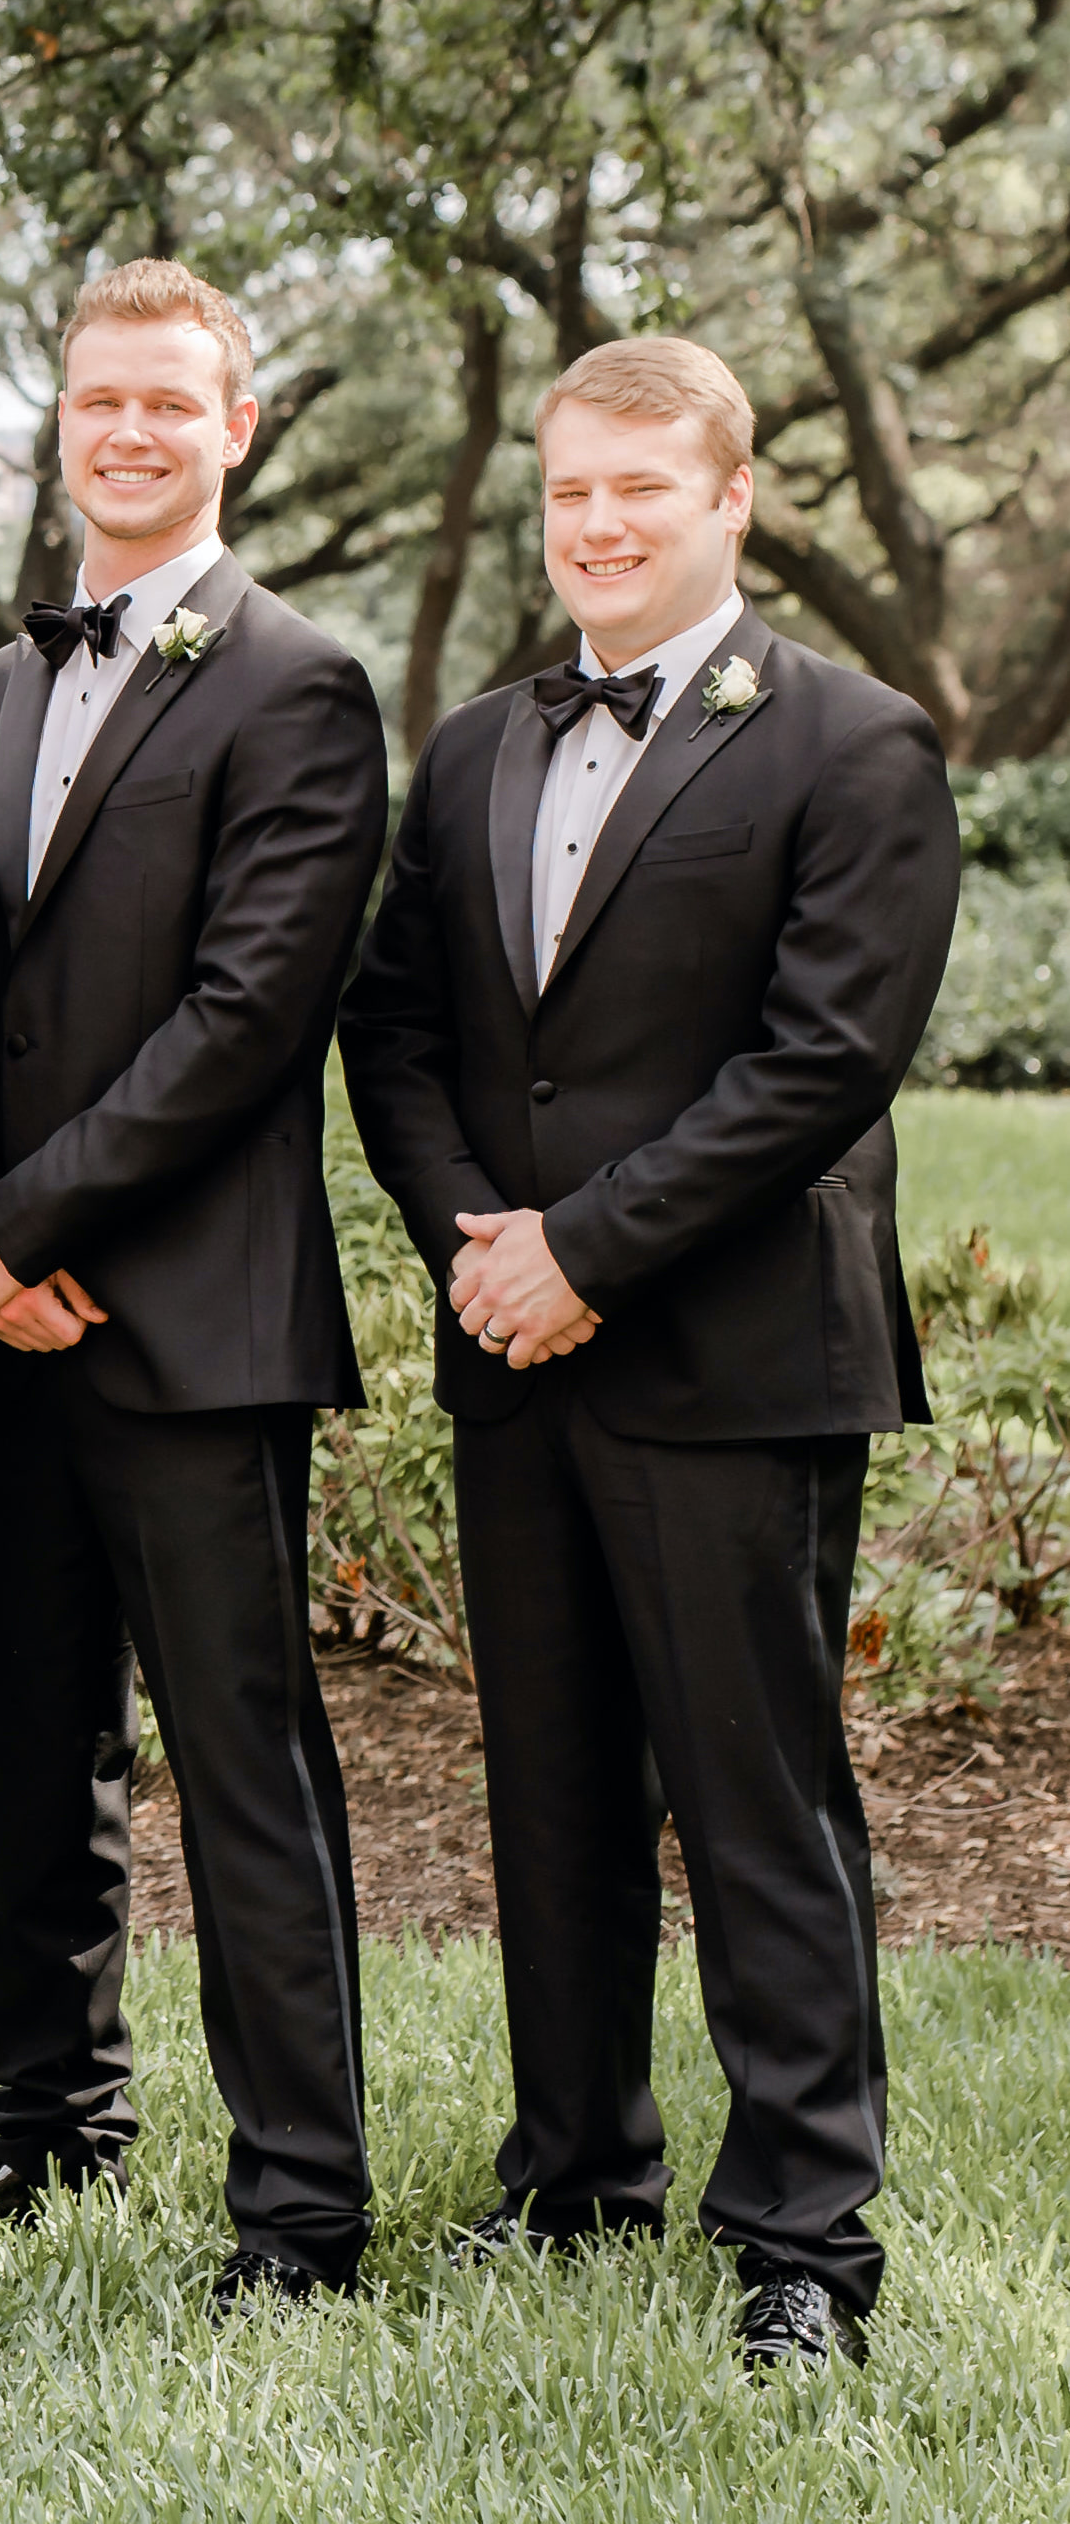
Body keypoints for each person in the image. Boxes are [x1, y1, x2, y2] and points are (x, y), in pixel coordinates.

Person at [340, 337, 957, 2373]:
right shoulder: (472, 747)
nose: (596, 524)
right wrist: (473, 1244)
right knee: (549, 1788)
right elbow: (398, 1029)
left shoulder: (850, 739)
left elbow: (822, 1059)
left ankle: (803, 2231)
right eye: (568, 492)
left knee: (755, 1794)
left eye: (639, 490)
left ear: (729, 498)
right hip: (515, 1346)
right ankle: (572, 2167)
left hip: (737, 1355)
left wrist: (585, 1251)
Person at [0, 259, 390, 2320]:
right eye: (94, 397)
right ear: (60, 416)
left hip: (192, 1317)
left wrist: (24, 1223)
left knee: (240, 1754)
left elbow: (244, 1018)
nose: (125, 430)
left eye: (165, 403)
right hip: (2, 1317)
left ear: (237, 425)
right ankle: (50, 2115)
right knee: (37, 1731)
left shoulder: (297, 681)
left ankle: (298, 2203)